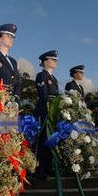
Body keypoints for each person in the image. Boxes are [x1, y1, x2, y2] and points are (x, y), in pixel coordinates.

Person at [33, 50, 59, 180]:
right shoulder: (41, 75)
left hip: (52, 112)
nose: (55, 61)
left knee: (50, 139)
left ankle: (47, 166)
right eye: (52, 59)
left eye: (56, 60)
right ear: (44, 62)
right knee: (42, 139)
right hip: (43, 111)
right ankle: (38, 169)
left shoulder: (54, 79)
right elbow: (43, 95)